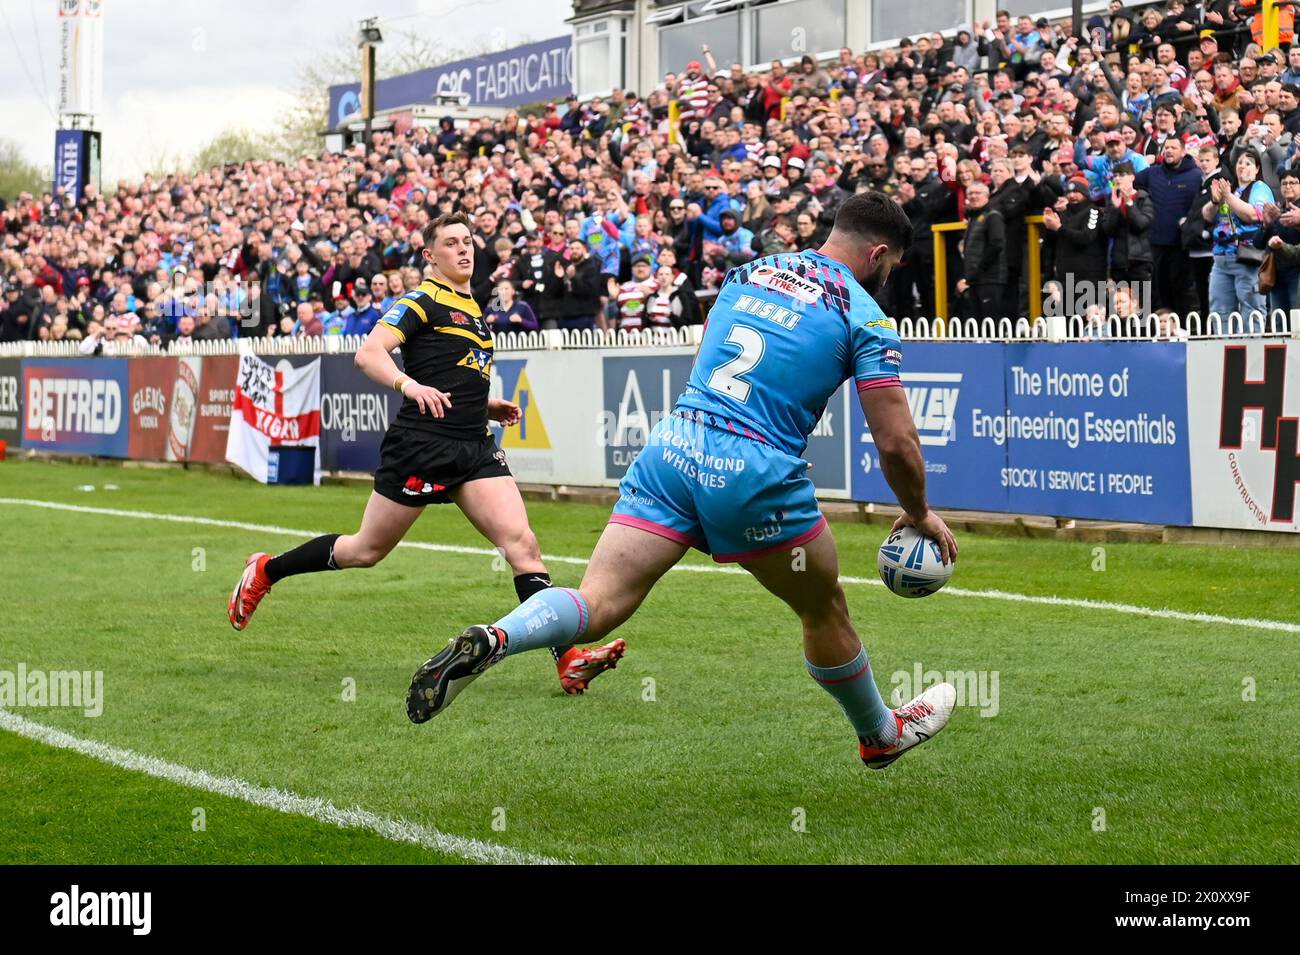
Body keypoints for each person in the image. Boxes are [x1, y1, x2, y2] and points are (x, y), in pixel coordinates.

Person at [405, 193, 960, 772]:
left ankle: (497, 639)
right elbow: (896, 443)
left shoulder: (751, 272)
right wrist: (918, 511)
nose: (889, 276)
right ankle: (879, 734)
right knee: (825, 609)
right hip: (754, 473)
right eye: (891, 265)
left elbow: (722, 361)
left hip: (676, 446)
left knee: (597, 601)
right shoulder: (864, 314)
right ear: (877, 254)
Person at [228, 212, 626, 695]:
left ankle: (568, 659)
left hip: (473, 446)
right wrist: (408, 383)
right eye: (453, 242)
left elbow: (459, 371)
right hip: (421, 445)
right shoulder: (420, 300)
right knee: (365, 550)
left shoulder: (472, 307)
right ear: (429, 255)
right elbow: (369, 353)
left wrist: (486, 403)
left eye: (469, 241)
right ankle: (267, 569)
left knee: (523, 546)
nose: (465, 250)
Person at [1205, 150, 1274, 323]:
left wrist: (1227, 196)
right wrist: (1215, 201)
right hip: (1221, 259)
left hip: (1247, 258)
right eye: (1240, 162)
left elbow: (1252, 215)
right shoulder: (1231, 190)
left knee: (1252, 311)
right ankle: (1224, 348)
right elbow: (1207, 215)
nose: (1243, 166)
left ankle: (1251, 349)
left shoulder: (1259, 188)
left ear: (1257, 168)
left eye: (1248, 163)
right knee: (1219, 313)